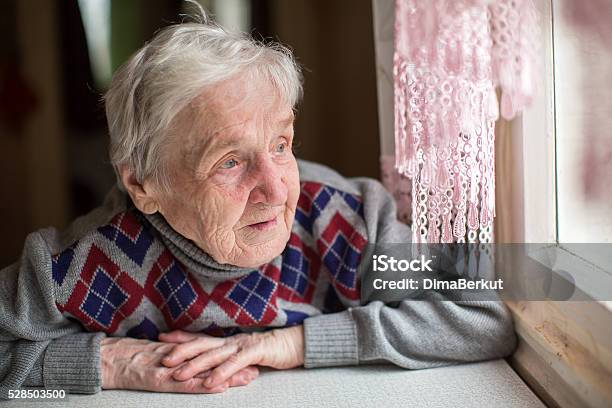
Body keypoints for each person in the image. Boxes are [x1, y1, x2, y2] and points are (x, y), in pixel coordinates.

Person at [0, 13, 516, 398]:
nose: (275, 188)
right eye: (229, 161)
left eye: (280, 144)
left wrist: (292, 344)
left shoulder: (348, 221)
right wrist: (108, 364)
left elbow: (480, 314)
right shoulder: (76, 267)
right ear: (143, 185)